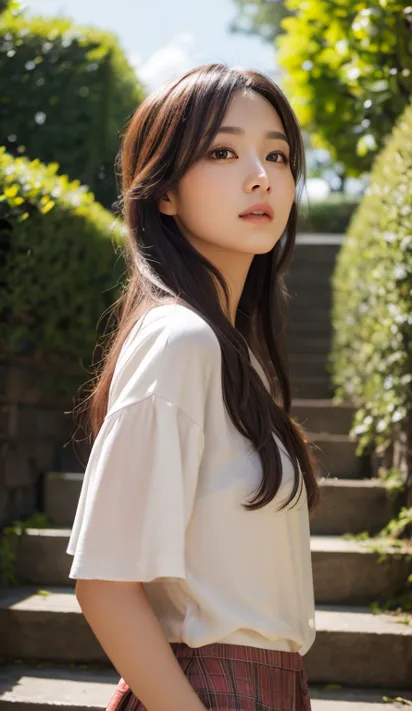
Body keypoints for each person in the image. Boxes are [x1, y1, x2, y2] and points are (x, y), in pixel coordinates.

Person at [66, 62, 320, 711]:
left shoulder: (234, 356)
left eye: (278, 154)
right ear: (164, 192)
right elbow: (104, 580)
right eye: (222, 150)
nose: (261, 174)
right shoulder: (181, 342)